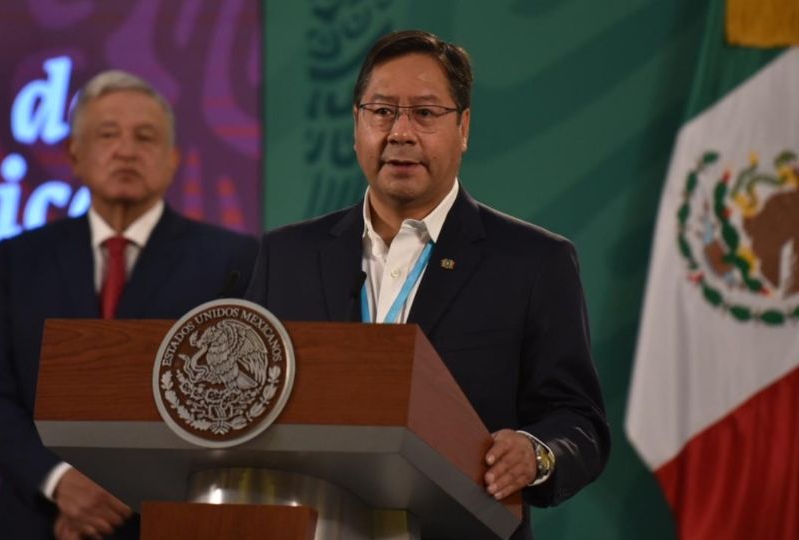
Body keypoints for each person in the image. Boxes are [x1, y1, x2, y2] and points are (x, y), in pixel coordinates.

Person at [245, 30, 609, 539]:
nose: (400, 132)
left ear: (463, 127)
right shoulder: (287, 256)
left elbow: (579, 422)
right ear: (356, 126)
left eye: (425, 112)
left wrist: (535, 453)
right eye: (382, 111)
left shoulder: (534, 262)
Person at [0, 70, 258, 539]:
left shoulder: (233, 259)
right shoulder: (20, 258)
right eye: (107, 135)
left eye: (145, 137)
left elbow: (235, 403)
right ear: (75, 155)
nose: (126, 150)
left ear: (171, 161)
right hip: (38, 518)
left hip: (164, 520)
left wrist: (129, 488)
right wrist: (60, 484)